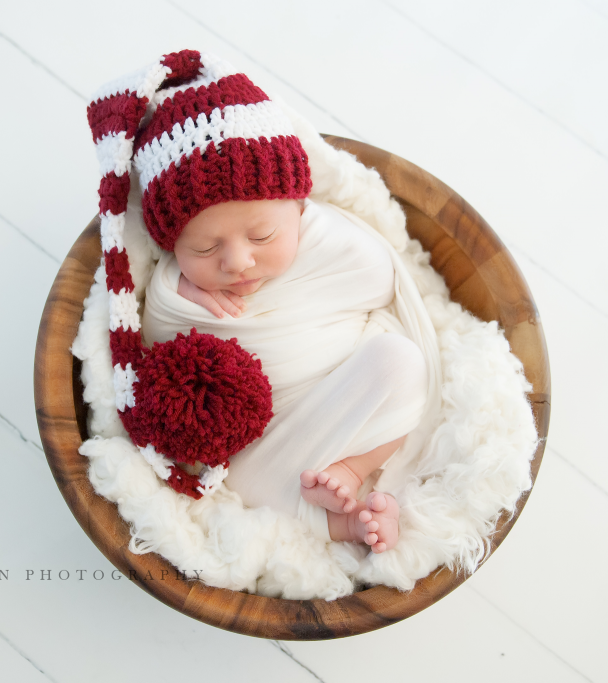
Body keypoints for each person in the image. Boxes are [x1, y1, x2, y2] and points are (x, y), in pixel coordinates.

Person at [90, 49, 428, 553]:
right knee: (245, 484)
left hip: (344, 387)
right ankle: (345, 523)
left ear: (297, 206)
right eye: (204, 249)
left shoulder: (325, 238)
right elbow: (157, 341)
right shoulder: (175, 289)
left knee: (401, 362)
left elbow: (378, 281)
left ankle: (353, 469)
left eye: (263, 235)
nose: (238, 262)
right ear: (171, 245)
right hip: (268, 432)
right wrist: (180, 297)